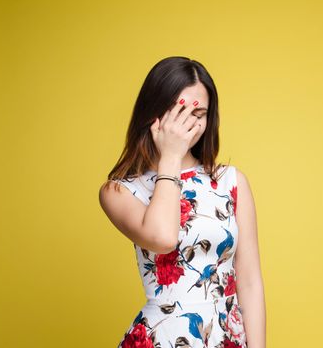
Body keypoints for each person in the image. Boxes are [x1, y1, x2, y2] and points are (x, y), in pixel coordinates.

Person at [99, 56, 266, 348]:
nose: (188, 124)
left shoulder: (231, 182)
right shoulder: (119, 191)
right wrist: (172, 157)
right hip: (163, 337)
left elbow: (249, 281)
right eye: (179, 112)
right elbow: (163, 238)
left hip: (225, 337)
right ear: (153, 113)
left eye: (199, 114)